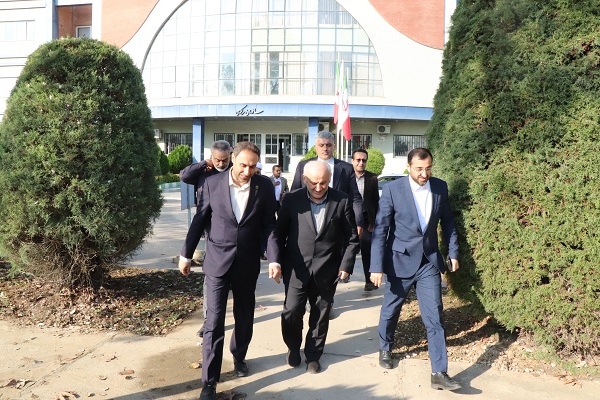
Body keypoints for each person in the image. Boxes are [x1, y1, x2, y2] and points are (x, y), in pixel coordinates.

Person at [179, 141, 277, 400]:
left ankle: (239, 356)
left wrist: (274, 259)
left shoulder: (264, 186)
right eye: (243, 165)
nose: (247, 171)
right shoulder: (212, 183)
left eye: (252, 167)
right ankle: (209, 381)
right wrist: (186, 254)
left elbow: (269, 224)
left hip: (247, 263)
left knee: (244, 316)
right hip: (217, 262)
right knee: (213, 322)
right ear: (233, 159)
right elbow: (200, 219)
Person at [369, 147, 462, 391]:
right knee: (391, 310)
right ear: (409, 167)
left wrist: (453, 252)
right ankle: (385, 347)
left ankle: (439, 372)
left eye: (428, 168)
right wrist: (376, 266)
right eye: (419, 169)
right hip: (399, 260)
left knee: (435, 317)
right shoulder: (393, 190)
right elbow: (381, 229)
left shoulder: (440, 187)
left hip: (428, 261)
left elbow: (448, 222)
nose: (424, 174)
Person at [269, 160, 360, 374]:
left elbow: (351, 238)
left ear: (329, 180)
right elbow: (278, 234)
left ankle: (313, 355)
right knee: (292, 311)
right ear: (304, 180)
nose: (319, 188)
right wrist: (276, 261)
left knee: (320, 315)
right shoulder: (292, 200)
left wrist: (346, 264)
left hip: (327, 269)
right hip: (296, 268)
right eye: (314, 183)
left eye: (324, 183)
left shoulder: (341, 200)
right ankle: (293, 347)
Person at [179, 140, 233, 339]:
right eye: (217, 159)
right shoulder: (205, 170)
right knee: (211, 275)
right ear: (212, 156)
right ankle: (208, 321)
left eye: (225, 160)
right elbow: (184, 176)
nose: (221, 163)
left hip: (227, 227)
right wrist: (204, 164)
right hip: (208, 225)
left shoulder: (235, 171)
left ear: (231, 156)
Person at [291, 130, 363, 233]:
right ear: (315, 147)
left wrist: (359, 222)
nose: (325, 148)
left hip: (337, 222)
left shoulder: (346, 169)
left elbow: (355, 197)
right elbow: (294, 193)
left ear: (334, 146)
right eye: (321, 145)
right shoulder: (303, 166)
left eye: (328, 145)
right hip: (308, 220)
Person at [351, 148, 379, 291]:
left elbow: (375, 201)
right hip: (349, 219)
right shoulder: (346, 177)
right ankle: (344, 273)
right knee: (346, 249)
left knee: (367, 250)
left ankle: (369, 281)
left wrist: (373, 222)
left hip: (367, 219)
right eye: (358, 160)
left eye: (364, 160)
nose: (361, 163)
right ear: (352, 161)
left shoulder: (372, 178)